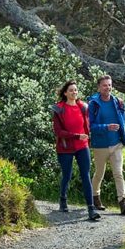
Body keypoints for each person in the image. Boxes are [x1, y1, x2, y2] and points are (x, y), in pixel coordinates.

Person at [51, 80, 100, 221]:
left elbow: (87, 125)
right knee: (67, 174)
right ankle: (63, 199)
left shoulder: (83, 107)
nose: (74, 92)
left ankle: (91, 209)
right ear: (65, 93)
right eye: (71, 90)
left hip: (82, 146)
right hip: (65, 147)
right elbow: (58, 132)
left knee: (85, 175)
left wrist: (85, 137)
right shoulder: (59, 109)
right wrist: (76, 136)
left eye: (76, 90)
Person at [88, 75, 125, 215]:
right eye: (104, 85)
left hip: (116, 144)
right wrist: (106, 127)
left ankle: (122, 202)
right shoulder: (93, 104)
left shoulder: (118, 102)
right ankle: (95, 197)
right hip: (100, 145)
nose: (107, 87)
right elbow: (90, 126)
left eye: (109, 85)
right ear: (99, 87)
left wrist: (121, 132)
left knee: (118, 173)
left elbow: (123, 121)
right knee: (99, 173)